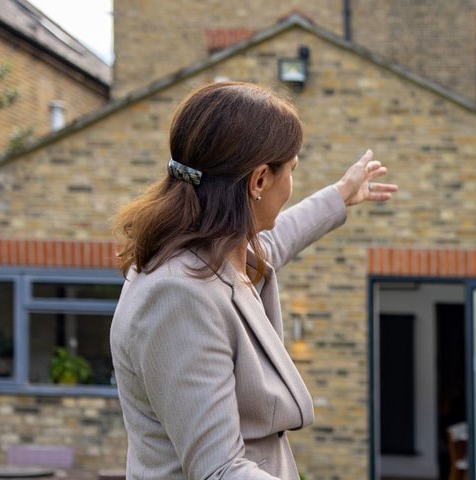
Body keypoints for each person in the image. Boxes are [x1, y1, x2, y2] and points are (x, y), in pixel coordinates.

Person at [109, 81, 397, 479]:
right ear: (259, 180)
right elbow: (220, 469)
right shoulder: (178, 294)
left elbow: (272, 243)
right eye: (292, 170)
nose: (291, 184)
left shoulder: (215, 252)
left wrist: (340, 195)